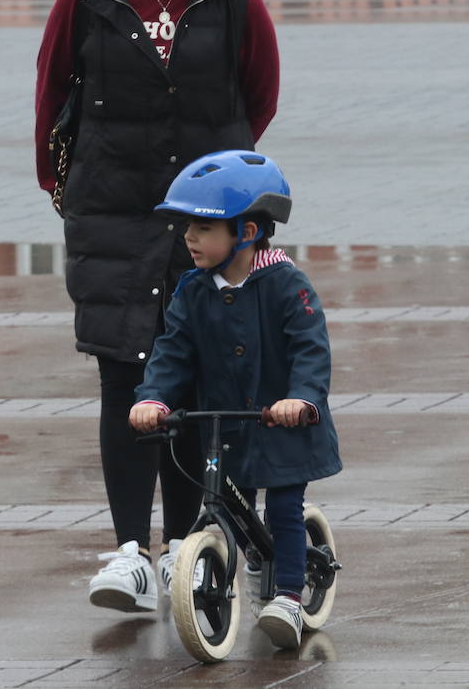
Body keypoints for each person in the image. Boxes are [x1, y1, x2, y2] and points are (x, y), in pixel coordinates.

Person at [34, 0, 281, 613]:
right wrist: (68, 192)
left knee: (197, 381)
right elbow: (50, 98)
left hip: (208, 223)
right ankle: (129, 554)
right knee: (124, 377)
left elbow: (260, 95)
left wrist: (220, 181)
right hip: (113, 212)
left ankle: (183, 549)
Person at [129, 150, 342, 650]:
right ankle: (247, 563)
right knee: (227, 501)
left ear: (246, 233)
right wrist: (154, 399)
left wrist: (301, 398)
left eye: (203, 228)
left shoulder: (286, 284)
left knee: (284, 508)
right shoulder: (192, 289)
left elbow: (312, 347)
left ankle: (290, 594)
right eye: (186, 228)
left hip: (285, 425)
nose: (189, 238)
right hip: (226, 425)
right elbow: (172, 350)